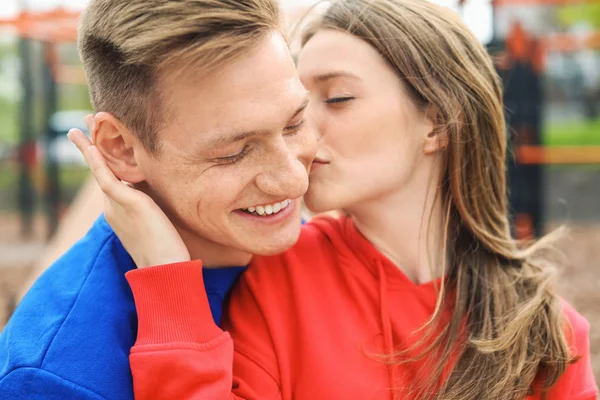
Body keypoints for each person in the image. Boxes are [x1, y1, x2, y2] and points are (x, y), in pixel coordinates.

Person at [70, 0, 599, 399]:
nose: (298, 136)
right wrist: (169, 280)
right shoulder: (276, 277)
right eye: (299, 107)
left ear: (437, 121)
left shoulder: (544, 330)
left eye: (337, 98)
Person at [0, 0, 316, 398]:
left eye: (295, 123)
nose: (294, 179)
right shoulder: (55, 376)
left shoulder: (326, 250)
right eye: (233, 152)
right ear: (121, 149)